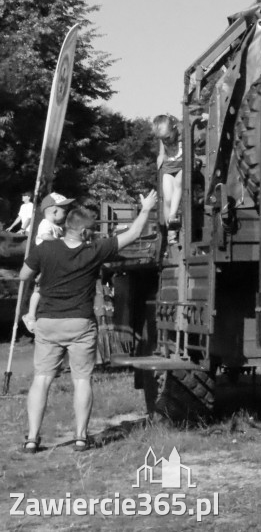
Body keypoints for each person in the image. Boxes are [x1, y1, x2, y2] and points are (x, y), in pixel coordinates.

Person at [19, 190, 158, 453]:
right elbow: (133, 234)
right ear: (83, 233)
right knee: (82, 380)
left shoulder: (46, 248)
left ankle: (31, 438)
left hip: (48, 322)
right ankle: (81, 437)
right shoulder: (95, 250)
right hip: (80, 323)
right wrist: (146, 208)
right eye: (92, 231)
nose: (94, 235)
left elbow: (24, 274)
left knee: (42, 379)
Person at [24, 192, 75, 331]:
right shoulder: (45, 224)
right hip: (44, 263)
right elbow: (45, 237)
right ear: (54, 210)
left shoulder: (57, 227)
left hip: (52, 263)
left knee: (48, 289)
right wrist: (61, 242)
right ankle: (30, 315)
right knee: (39, 289)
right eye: (64, 210)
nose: (66, 213)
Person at [153, 114, 183, 244]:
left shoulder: (182, 131)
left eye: (167, 137)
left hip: (182, 165)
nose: (166, 141)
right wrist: (161, 154)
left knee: (178, 183)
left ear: (175, 128)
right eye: (162, 139)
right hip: (168, 166)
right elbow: (162, 142)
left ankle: (172, 216)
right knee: (167, 199)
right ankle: (171, 234)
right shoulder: (164, 137)